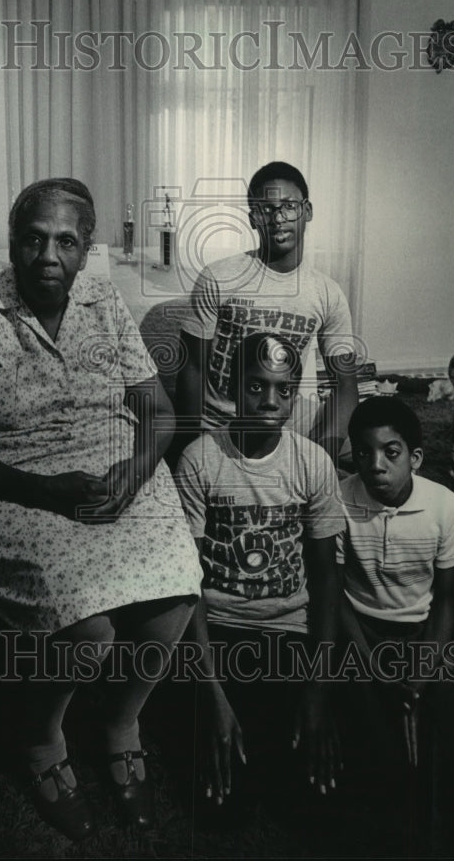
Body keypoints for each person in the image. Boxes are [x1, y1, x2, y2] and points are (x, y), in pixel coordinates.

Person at [0, 177, 201, 841]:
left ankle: (121, 720)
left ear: (87, 251)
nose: (49, 255)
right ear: (15, 244)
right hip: (3, 475)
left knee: (178, 589)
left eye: (66, 242)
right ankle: (42, 739)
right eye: (35, 239)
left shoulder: (105, 301)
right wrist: (44, 491)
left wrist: (134, 475)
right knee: (89, 631)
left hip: (109, 465)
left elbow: (158, 411)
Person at [174, 332, 344, 817]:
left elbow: (326, 577)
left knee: (313, 794)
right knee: (221, 807)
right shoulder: (200, 460)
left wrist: (318, 689)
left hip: (288, 630)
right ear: (231, 384)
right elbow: (187, 581)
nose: (269, 400)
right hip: (218, 631)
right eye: (255, 386)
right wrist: (212, 696)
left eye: (283, 389)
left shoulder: (312, 463)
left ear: (295, 392)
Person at [336, 396, 454, 845]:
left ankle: (438, 830)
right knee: (368, 731)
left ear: (414, 458)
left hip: (422, 633)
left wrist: (423, 672)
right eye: (363, 453)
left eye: (391, 453)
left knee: (445, 732)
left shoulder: (444, 506)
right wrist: (371, 667)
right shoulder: (340, 500)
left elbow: (446, 600)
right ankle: (376, 825)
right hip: (360, 632)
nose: (376, 465)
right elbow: (335, 595)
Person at [174, 161, 359, 466]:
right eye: (266, 209)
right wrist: (193, 448)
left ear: (307, 211)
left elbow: (346, 386)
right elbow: (192, 368)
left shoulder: (327, 293)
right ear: (252, 219)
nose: (278, 218)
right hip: (221, 433)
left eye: (289, 206)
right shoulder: (219, 277)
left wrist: (322, 458)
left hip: (289, 435)